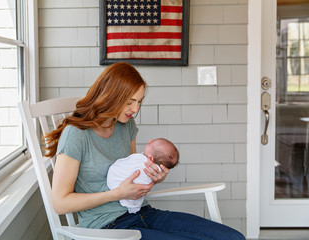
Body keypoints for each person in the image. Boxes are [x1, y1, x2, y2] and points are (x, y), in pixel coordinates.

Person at [45, 62, 246, 240]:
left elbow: (135, 170)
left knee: (232, 237)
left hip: (143, 213)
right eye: (130, 101)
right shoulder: (76, 135)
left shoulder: (126, 126)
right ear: (111, 96)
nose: (136, 109)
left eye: (139, 101)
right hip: (109, 228)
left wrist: (152, 177)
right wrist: (116, 194)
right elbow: (60, 203)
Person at [107, 138, 179, 214]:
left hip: (114, 181)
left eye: (150, 143)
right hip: (120, 197)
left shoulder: (143, 164)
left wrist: (157, 180)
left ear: (151, 158)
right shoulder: (147, 164)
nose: (150, 140)